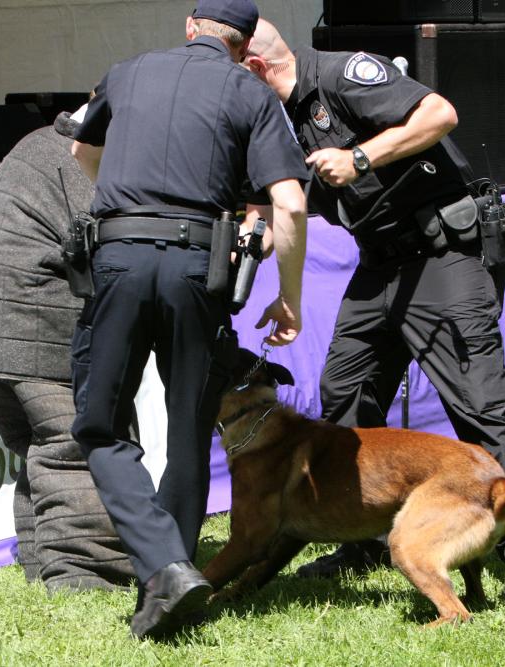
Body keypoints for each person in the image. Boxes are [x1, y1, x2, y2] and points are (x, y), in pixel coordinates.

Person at [242, 19, 505, 600]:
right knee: (345, 393)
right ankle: (361, 539)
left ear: (257, 67)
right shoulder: (282, 120)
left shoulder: (344, 74)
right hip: (380, 264)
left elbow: (439, 113)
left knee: (480, 407)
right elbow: (280, 207)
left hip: (442, 256)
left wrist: (360, 157)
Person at [69, 0, 308, 639]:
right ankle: (171, 575)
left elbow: (81, 150)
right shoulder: (252, 94)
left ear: (189, 27)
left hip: (118, 257)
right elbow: (289, 202)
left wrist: (122, 201)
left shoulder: (125, 72)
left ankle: (164, 570)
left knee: (98, 424)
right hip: (197, 267)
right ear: (245, 44)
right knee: (189, 430)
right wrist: (290, 297)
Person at [0, 108, 137, 593]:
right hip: (44, 326)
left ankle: (42, 566)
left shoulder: (31, 142)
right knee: (74, 448)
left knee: (41, 448)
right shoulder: (95, 161)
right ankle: (85, 577)